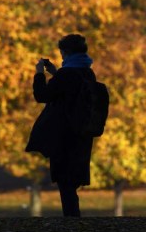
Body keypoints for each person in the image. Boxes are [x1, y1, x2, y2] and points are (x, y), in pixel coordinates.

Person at [25, 34, 97, 217]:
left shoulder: (67, 75)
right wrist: (55, 73)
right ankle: (73, 218)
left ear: (66, 52)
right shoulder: (87, 72)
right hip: (81, 133)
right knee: (71, 179)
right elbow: (71, 90)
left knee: (64, 179)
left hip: (63, 134)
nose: (62, 56)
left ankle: (72, 220)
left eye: (62, 53)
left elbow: (42, 95)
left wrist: (39, 73)